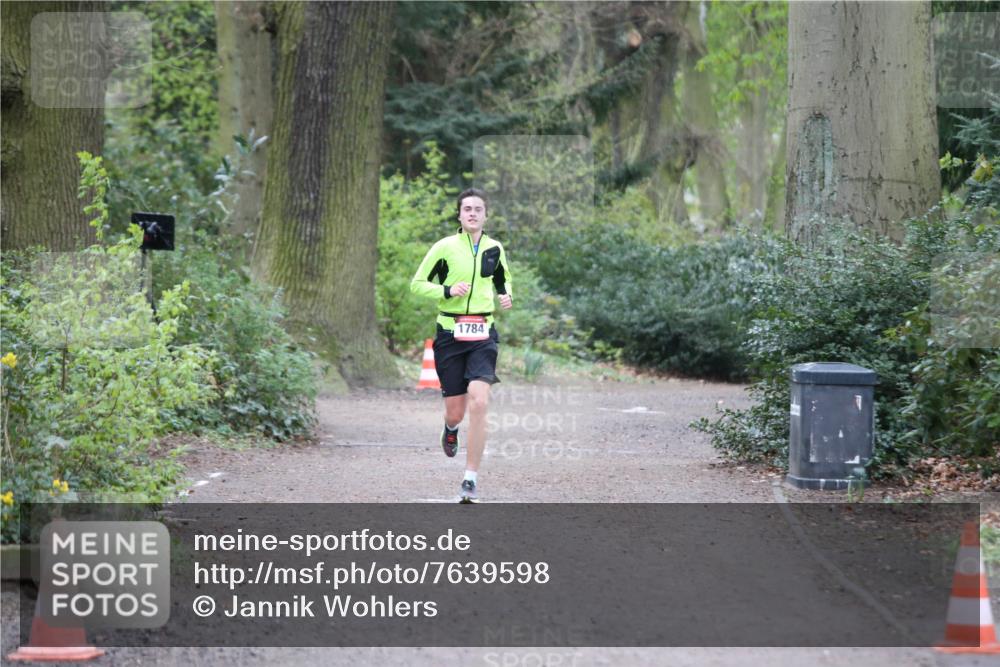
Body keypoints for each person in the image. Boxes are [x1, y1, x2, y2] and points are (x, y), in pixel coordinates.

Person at [410, 188, 513, 502]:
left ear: (485, 215)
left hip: (483, 333)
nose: (472, 213)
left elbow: (502, 279)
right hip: (450, 335)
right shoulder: (444, 248)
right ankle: (450, 427)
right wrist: (447, 289)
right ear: (459, 215)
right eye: (466, 208)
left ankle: (470, 479)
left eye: (477, 209)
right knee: (456, 412)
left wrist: (507, 295)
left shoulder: (495, 248)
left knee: (480, 402)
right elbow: (416, 285)